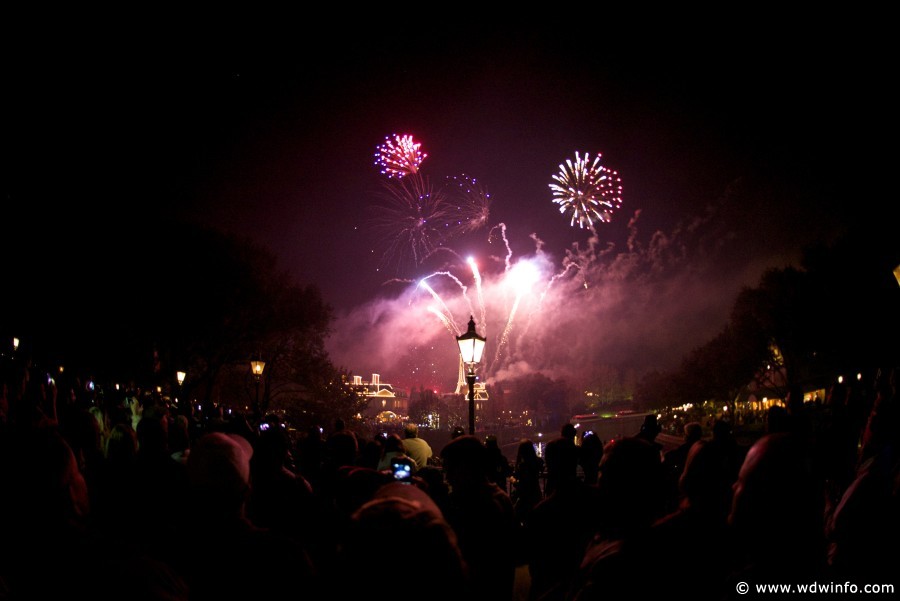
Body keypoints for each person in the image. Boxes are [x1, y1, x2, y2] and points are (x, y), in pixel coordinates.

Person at [440, 435, 519, 601]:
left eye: (450, 469)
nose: (448, 478)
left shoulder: (476, 507)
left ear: (465, 467)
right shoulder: (500, 499)